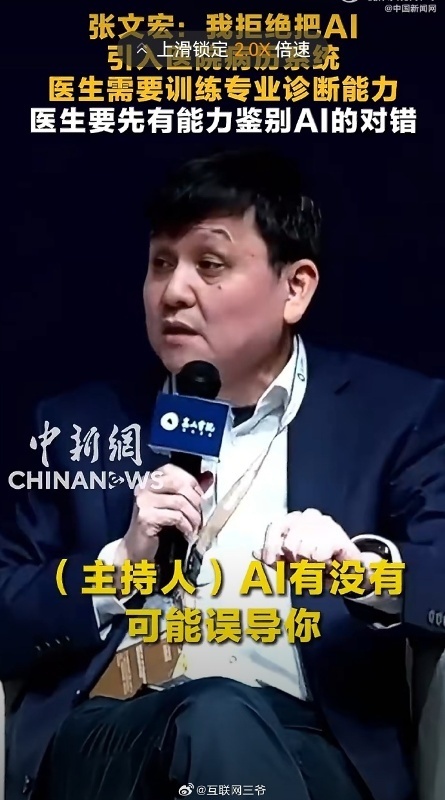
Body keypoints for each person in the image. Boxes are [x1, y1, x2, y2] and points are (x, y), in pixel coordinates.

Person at [1, 147, 445, 800]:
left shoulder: (394, 415)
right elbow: (7, 603)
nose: (173, 292)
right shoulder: (78, 426)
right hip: (113, 738)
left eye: (209, 265)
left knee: (226, 724)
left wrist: (361, 570)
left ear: (295, 288)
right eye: (160, 263)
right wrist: (116, 566)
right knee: (212, 714)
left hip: (306, 745)